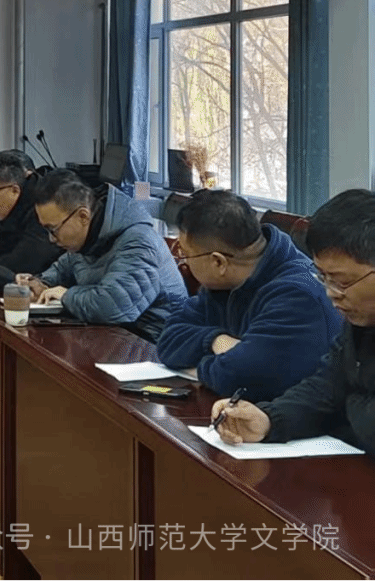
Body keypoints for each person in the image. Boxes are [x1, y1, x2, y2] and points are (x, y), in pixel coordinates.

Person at [211, 190, 375, 454]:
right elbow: (326, 389)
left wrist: (348, 405)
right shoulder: (360, 319)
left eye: (342, 281)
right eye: (324, 278)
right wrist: (268, 420)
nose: (331, 293)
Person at [156, 190, 341, 402]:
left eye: (186, 254)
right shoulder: (222, 283)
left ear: (218, 262)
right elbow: (168, 340)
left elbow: (242, 377)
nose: (184, 262)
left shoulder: (298, 296)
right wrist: (217, 340)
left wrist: (198, 368)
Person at [19, 168, 186, 341]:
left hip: (155, 345)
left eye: (53, 229)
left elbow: (112, 307)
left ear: (83, 216)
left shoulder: (138, 241)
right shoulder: (89, 237)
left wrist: (66, 295)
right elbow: (62, 269)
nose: (51, 239)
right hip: (114, 338)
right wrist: (38, 283)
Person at [0, 150, 63, 292]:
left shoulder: (44, 206)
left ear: (15, 190)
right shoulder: (19, 203)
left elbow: (25, 261)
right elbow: (6, 242)